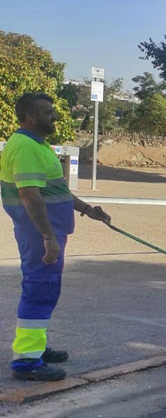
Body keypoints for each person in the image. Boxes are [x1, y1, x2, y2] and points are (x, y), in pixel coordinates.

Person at [1, 93, 111, 381]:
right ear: (28, 115)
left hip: (47, 232)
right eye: (48, 112)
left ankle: (37, 347)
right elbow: (29, 195)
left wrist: (87, 209)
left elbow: (54, 190)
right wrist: (48, 237)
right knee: (39, 290)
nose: (54, 116)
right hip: (39, 233)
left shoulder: (37, 145)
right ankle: (26, 361)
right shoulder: (25, 147)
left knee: (45, 290)